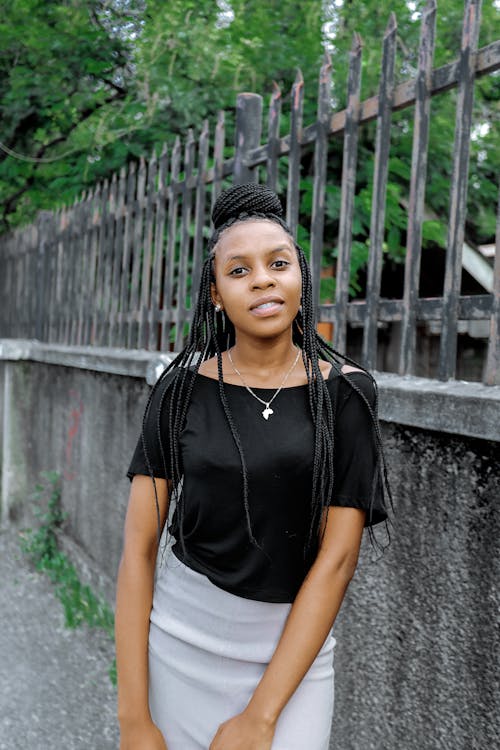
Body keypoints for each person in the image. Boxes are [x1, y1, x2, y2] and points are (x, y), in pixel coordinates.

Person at [115, 183, 393, 750]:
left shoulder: (346, 394)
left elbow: (337, 560)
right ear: (215, 294)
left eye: (279, 263)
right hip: (182, 641)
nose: (263, 279)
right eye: (238, 270)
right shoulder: (181, 389)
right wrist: (134, 718)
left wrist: (261, 716)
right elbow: (139, 549)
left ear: (300, 279)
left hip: (293, 662)